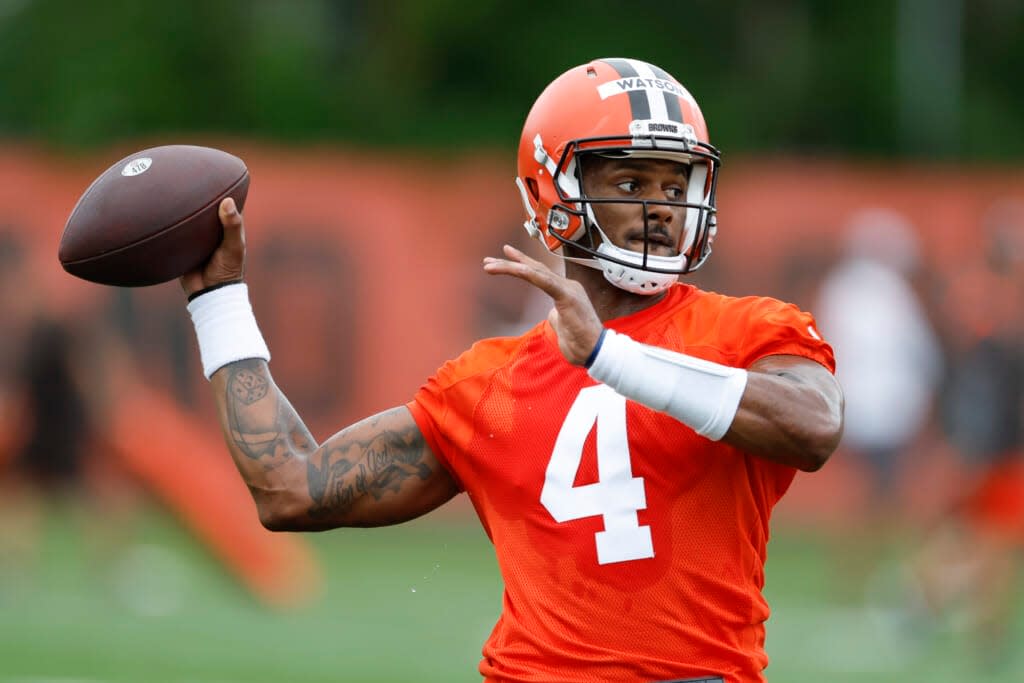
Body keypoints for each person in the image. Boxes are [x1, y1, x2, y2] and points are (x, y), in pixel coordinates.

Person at [180, 58, 844, 682]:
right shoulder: (488, 385)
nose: (664, 206)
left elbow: (814, 425)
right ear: (553, 191)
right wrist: (218, 302)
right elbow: (291, 487)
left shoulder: (749, 330)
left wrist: (610, 357)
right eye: (632, 182)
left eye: (678, 183)